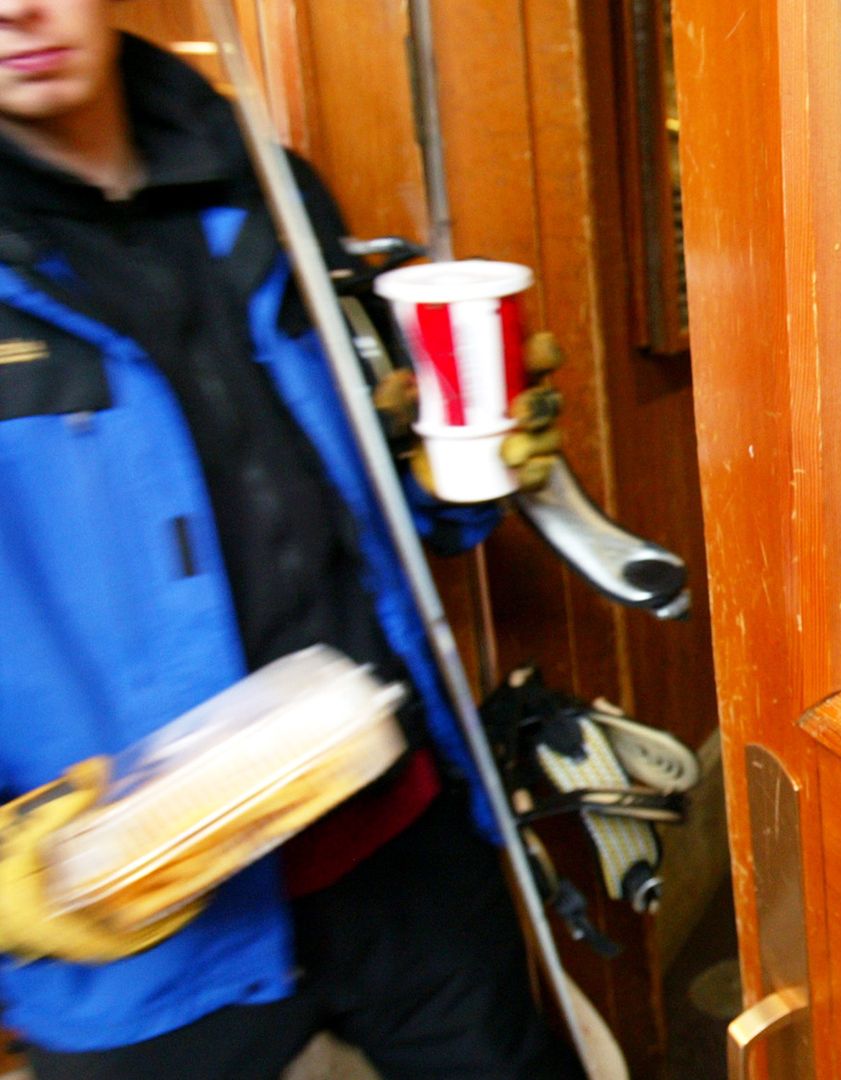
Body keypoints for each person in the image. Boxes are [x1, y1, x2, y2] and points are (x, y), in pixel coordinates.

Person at [0, 3, 581, 1076]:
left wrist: (456, 467)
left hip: (392, 823)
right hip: (142, 915)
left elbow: (366, 509)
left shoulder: (268, 188)